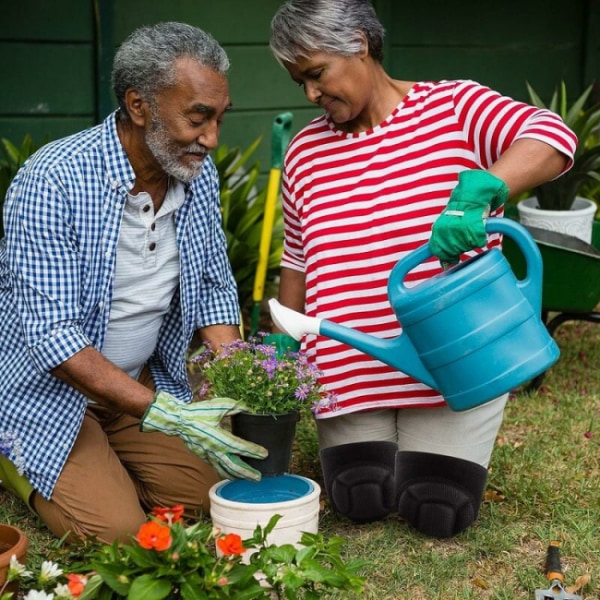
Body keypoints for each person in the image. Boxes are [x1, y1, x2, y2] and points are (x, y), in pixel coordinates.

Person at [268, 0, 577, 537]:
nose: (312, 94)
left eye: (317, 73)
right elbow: (297, 257)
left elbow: (553, 138)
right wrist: (281, 351)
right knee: (357, 497)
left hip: (452, 365)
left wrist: (481, 191)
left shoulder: (454, 106)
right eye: (301, 82)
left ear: (360, 43)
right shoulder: (303, 151)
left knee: (437, 507)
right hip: (349, 366)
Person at [0, 21, 268, 544]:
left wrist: (238, 377)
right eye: (198, 118)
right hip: (50, 392)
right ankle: (13, 455)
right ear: (139, 105)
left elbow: (212, 285)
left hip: (138, 381)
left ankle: (112, 455)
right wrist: (163, 414)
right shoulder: (52, 179)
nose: (212, 139)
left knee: (212, 502)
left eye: (219, 118)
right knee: (123, 535)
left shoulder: (194, 173)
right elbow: (54, 337)